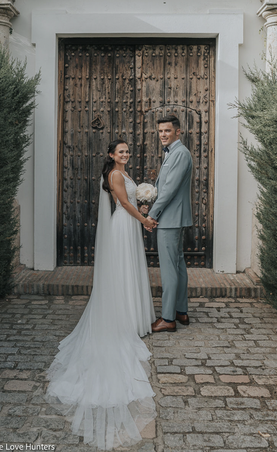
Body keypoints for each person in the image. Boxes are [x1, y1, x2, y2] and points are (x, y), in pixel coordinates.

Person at [45, 139, 157, 450]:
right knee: (124, 270)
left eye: (127, 151)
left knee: (128, 270)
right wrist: (144, 218)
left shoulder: (122, 172)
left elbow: (131, 200)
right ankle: (125, 317)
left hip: (127, 224)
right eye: (120, 151)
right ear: (110, 154)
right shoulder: (116, 176)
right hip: (124, 225)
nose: (125, 154)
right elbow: (123, 204)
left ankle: (131, 314)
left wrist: (144, 204)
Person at [147, 114, 193, 333]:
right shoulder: (174, 153)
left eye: (167, 130)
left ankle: (167, 318)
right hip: (173, 218)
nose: (163, 134)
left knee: (169, 269)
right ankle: (181, 311)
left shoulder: (180, 154)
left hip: (169, 219)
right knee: (178, 264)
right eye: (160, 131)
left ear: (178, 131)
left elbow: (169, 190)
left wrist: (152, 215)